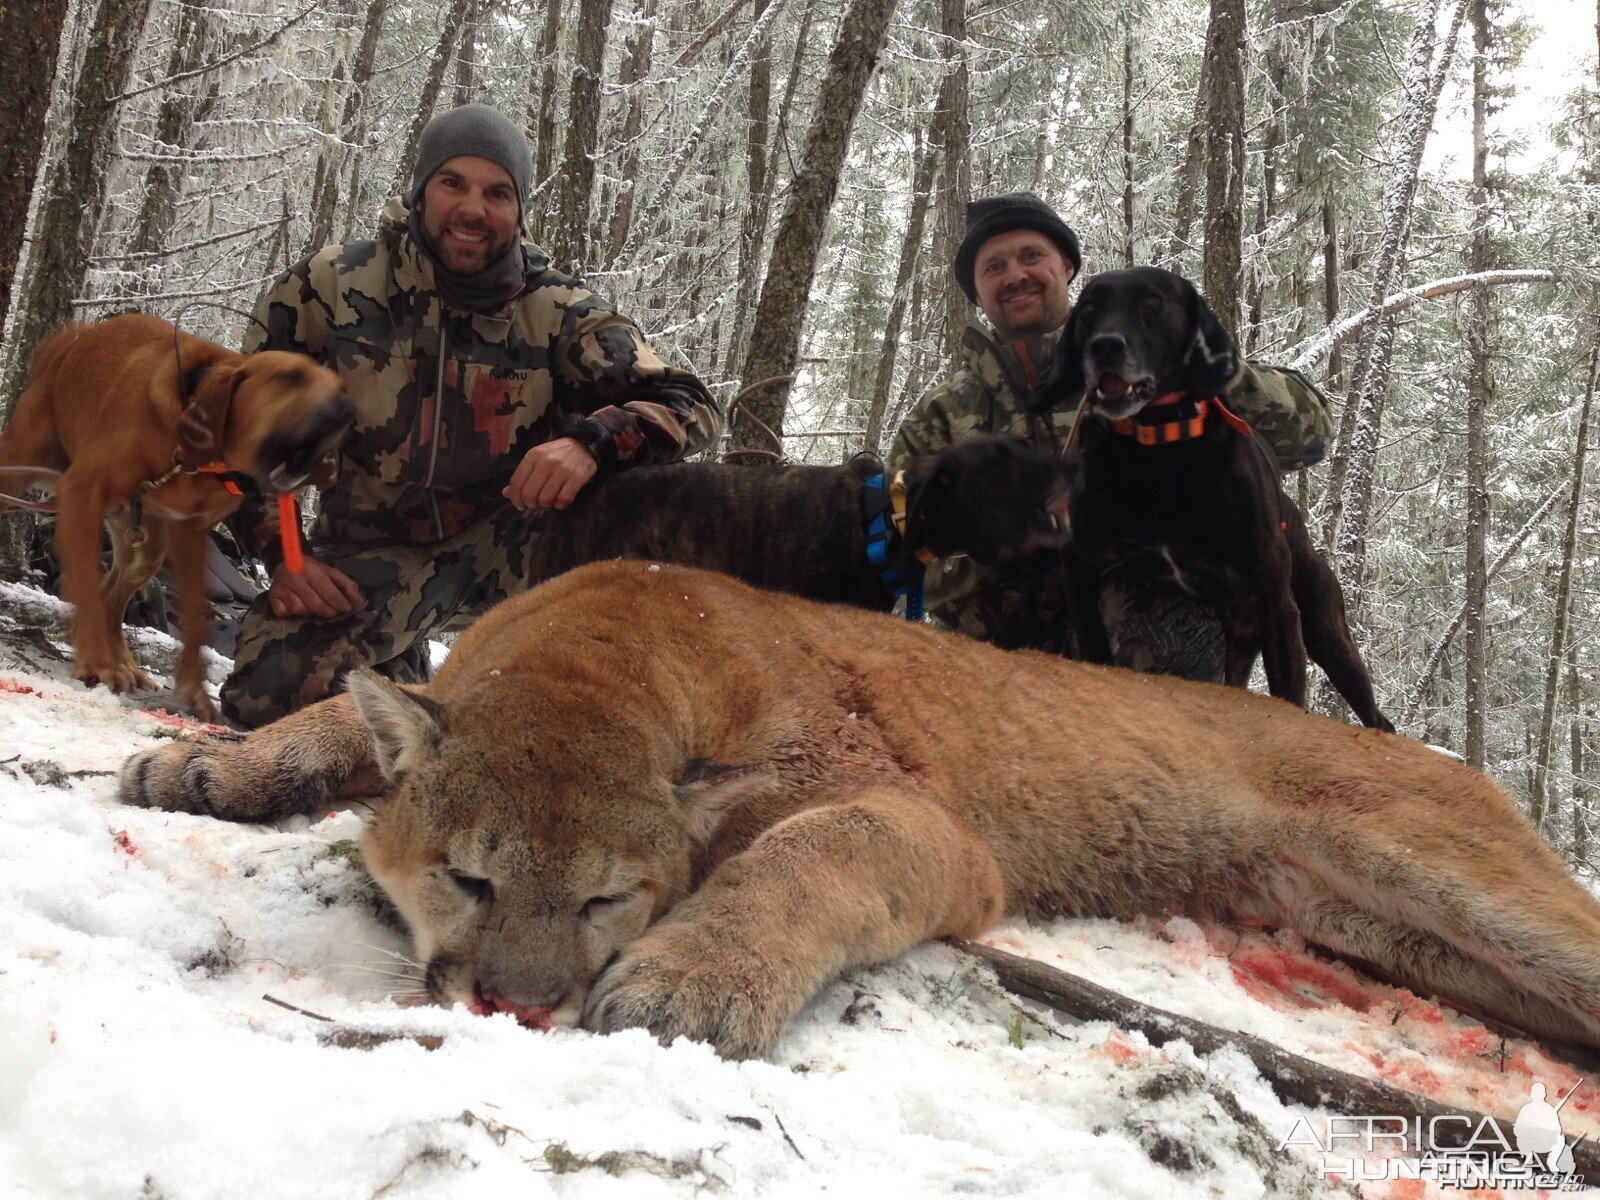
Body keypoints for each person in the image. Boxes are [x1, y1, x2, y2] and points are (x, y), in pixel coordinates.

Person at [220, 104, 719, 726]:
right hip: (371, 556)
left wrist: (591, 441)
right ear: (422, 189)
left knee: (561, 729)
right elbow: (240, 430)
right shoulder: (332, 286)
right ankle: (393, 662)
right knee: (269, 702)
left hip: (522, 553)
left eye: (497, 193)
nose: (473, 211)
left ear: (518, 208)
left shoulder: (558, 308)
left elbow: (691, 404)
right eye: (452, 183)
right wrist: (286, 553)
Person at [888, 192, 1333, 677]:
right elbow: (903, 558)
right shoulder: (940, 417)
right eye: (993, 266)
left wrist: (1207, 372)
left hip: (1141, 635)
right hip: (996, 655)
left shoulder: (1156, 365)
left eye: (1031, 256)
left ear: (1068, 267)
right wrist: (1005, 537)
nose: (1015, 275)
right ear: (975, 293)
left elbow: (1309, 435)